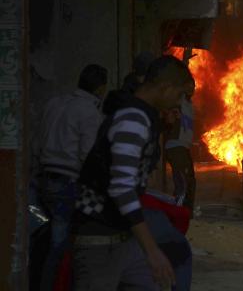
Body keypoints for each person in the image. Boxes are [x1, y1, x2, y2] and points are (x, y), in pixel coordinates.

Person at [72, 55, 193, 290]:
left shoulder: (143, 116)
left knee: (161, 278)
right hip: (99, 240)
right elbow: (121, 188)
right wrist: (152, 251)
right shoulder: (133, 119)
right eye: (179, 95)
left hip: (122, 238)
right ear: (165, 88)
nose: (179, 103)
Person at [33, 64, 108, 291]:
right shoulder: (89, 112)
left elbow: (36, 141)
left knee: (46, 241)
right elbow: (88, 155)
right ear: (101, 88)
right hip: (67, 183)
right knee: (62, 245)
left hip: (43, 180)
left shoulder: (54, 103)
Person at [165, 79, 197, 212]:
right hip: (175, 146)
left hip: (184, 147)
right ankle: (178, 212)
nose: (191, 89)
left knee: (190, 181)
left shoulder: (189, 105)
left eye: (193, 86)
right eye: (188, 86)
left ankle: (186, 212)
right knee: (183, 182)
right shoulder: (179, 100)